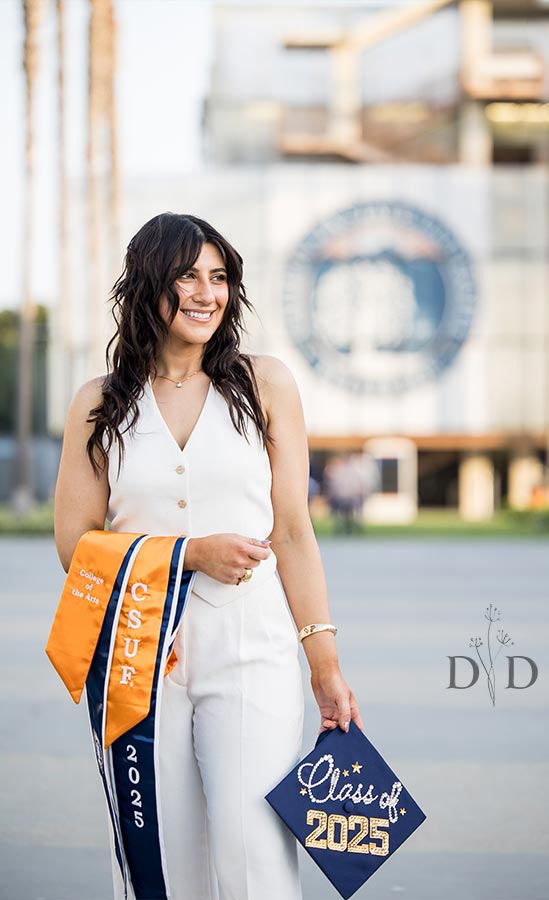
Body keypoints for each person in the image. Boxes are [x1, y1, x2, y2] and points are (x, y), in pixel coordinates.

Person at [53, 212, 363, 899]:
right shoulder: (100, 403)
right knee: (162, 862)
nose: (206, 293)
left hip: (253, 646)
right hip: (138, 657)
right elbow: (75, 545)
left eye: (219, 277)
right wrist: (189, 553)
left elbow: (293, 533)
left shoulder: (264, 384)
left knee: (255, 853)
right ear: (147, 285)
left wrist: (326, 667)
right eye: (187, 276)